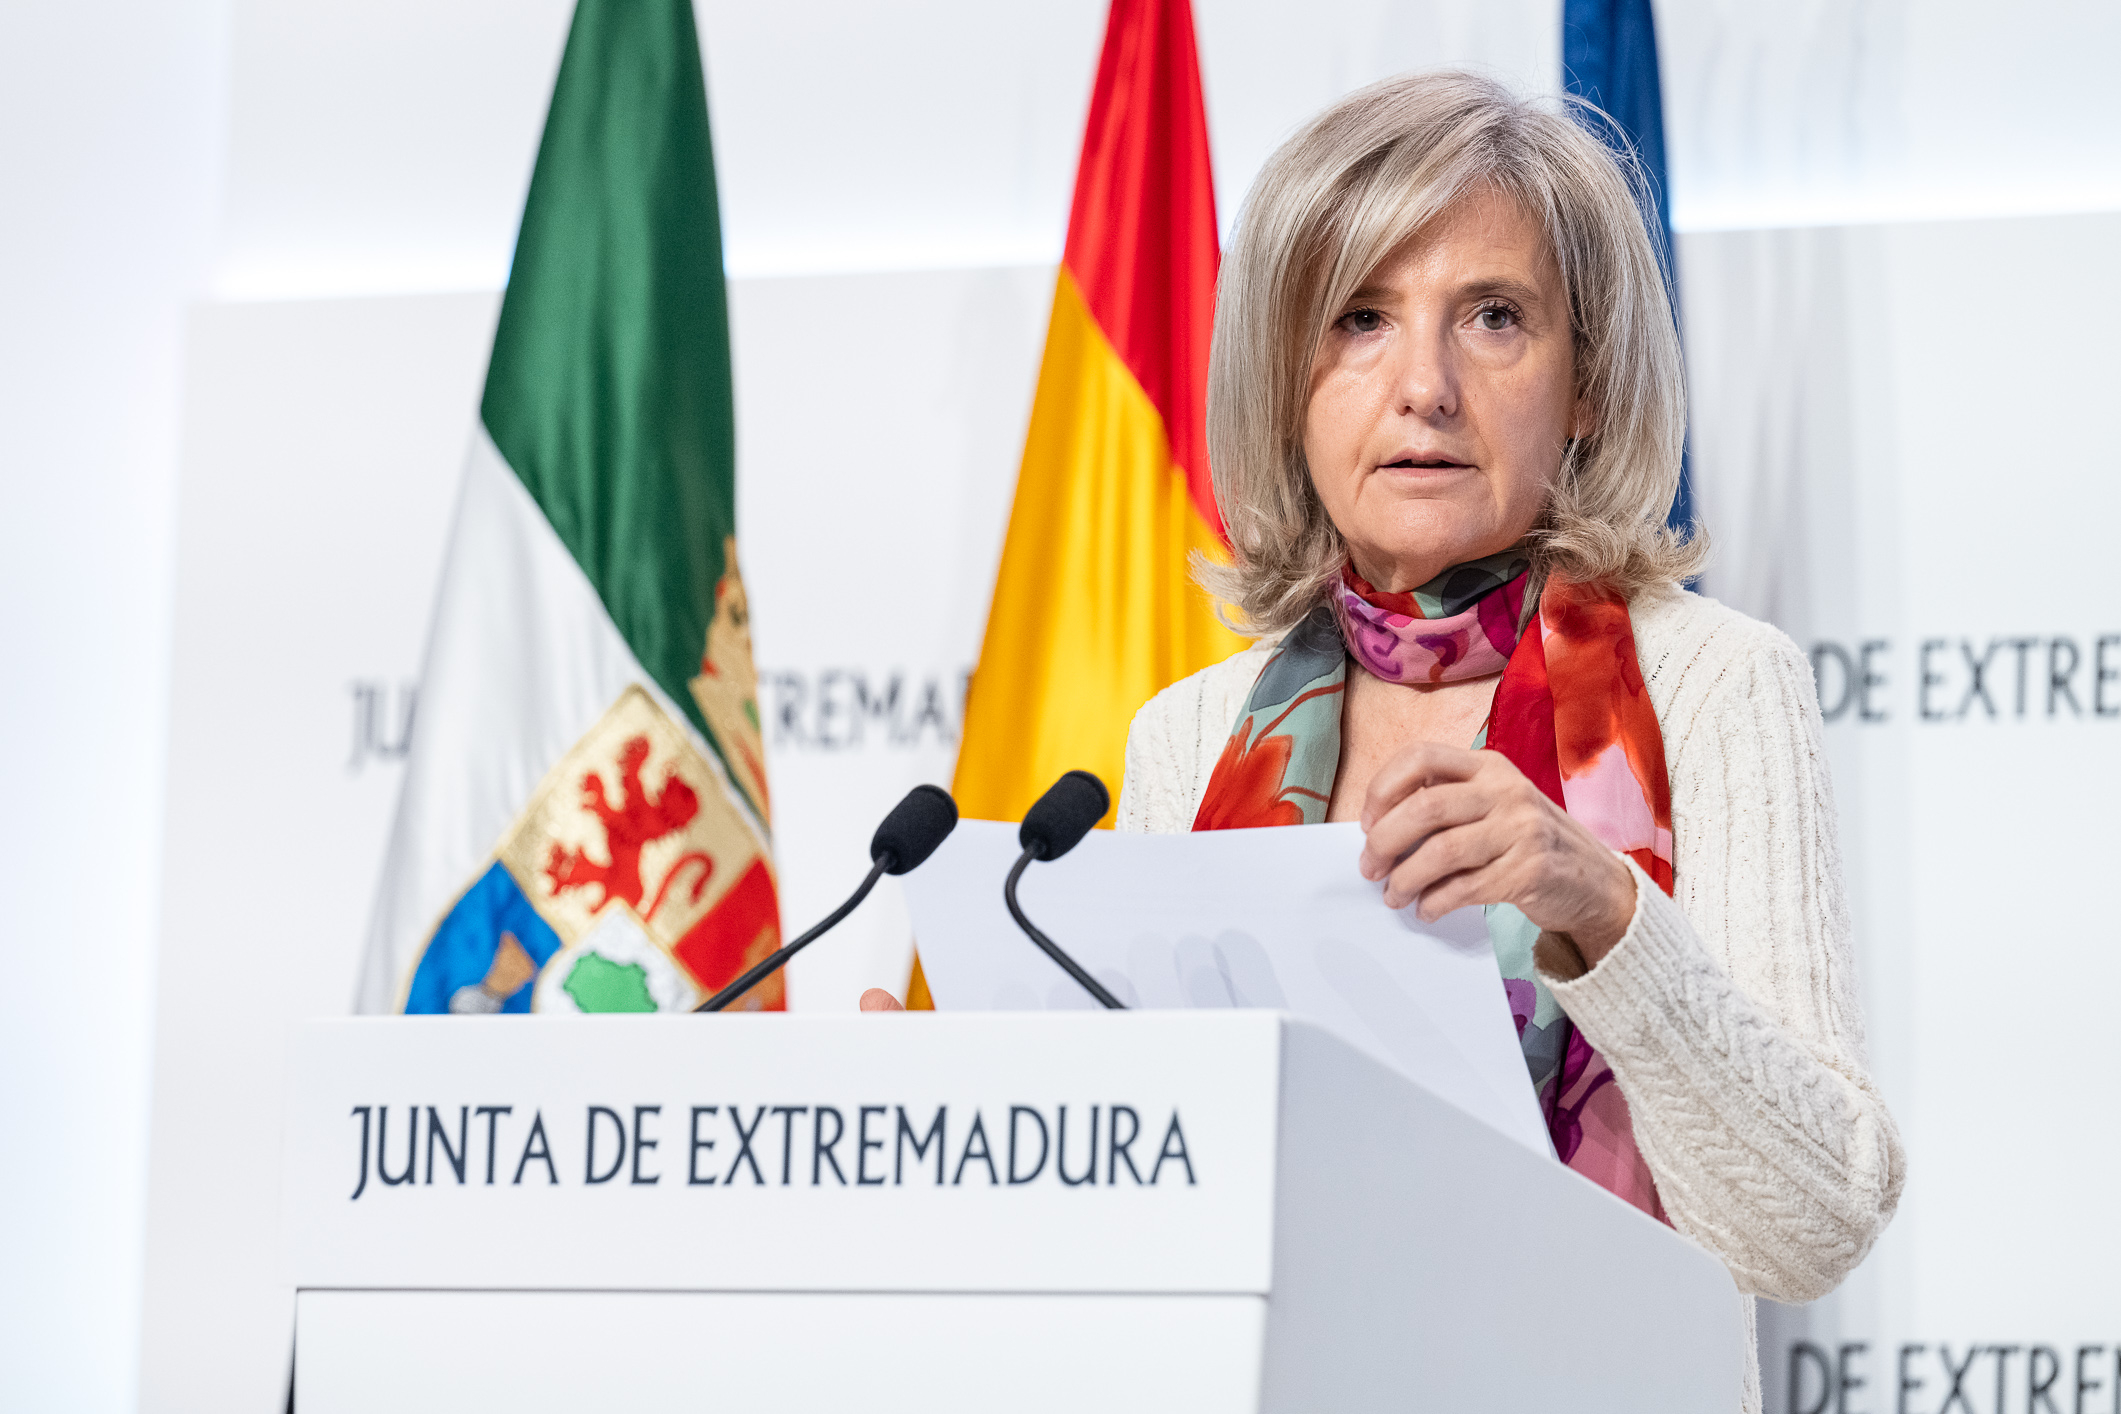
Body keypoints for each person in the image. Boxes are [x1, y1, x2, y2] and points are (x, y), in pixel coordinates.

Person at [866, 70, 1903, 1411]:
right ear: (1286, 386)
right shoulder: (1188, 733)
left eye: (1491, 318)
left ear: (1583, 383)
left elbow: (1810, 1225)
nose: (1423, 386)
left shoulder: (1709, 681)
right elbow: (1155, 1189)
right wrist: (963, 1114)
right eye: (1358, 320)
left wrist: (1603, 907)